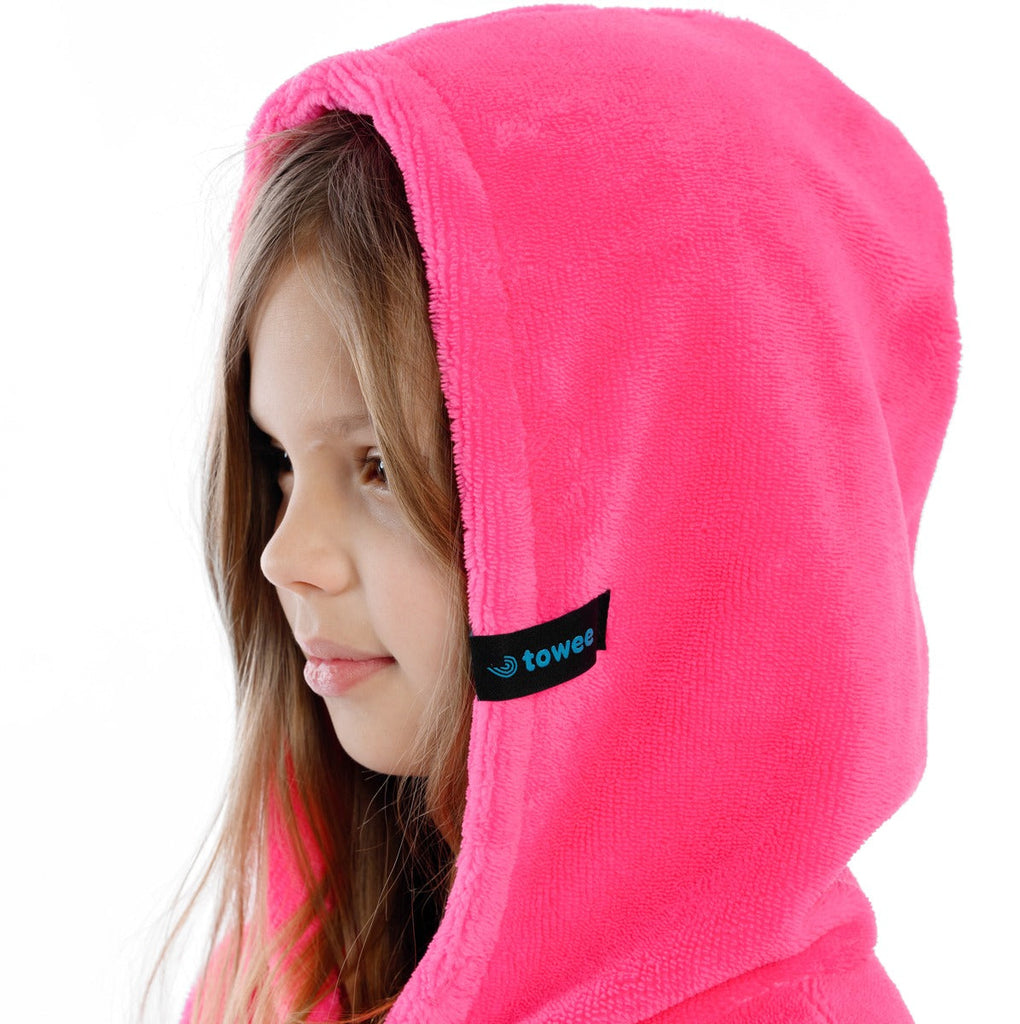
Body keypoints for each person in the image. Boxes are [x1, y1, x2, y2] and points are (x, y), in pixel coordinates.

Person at [169, 6, 959, 1022]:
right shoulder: (283, 982)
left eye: (378, 466)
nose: (286, 556)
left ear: (660, 518)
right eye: (280, 462)